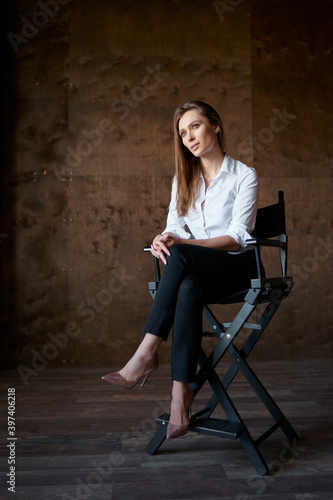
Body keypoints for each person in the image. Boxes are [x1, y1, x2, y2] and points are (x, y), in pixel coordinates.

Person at [102, 100, 260, 439]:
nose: (189, 137)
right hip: (197, 273)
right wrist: (164, 237)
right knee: (187, 285)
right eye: (183, 132)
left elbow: (235, 237)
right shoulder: (183, 179)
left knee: (183, 258)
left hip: (237, 267)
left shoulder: (244, 175)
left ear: (215, 125)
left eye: (195, 126)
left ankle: (145, 352)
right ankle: (180, 394)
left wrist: (183, 247)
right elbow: (176, 227)